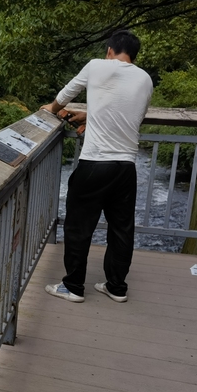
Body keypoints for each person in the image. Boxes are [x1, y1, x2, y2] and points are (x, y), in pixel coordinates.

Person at [40, 29, 153, 303]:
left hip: (94, 163)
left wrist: (52, 109)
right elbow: (128, 115)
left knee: (79, 226)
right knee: (121, 228)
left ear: (110, 50)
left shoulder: (96, 65)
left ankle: (74, 287)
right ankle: (116, 286)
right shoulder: (146, 79)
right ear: (133, 55)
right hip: (125, 167)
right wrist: (92, 116)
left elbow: (65, 94)